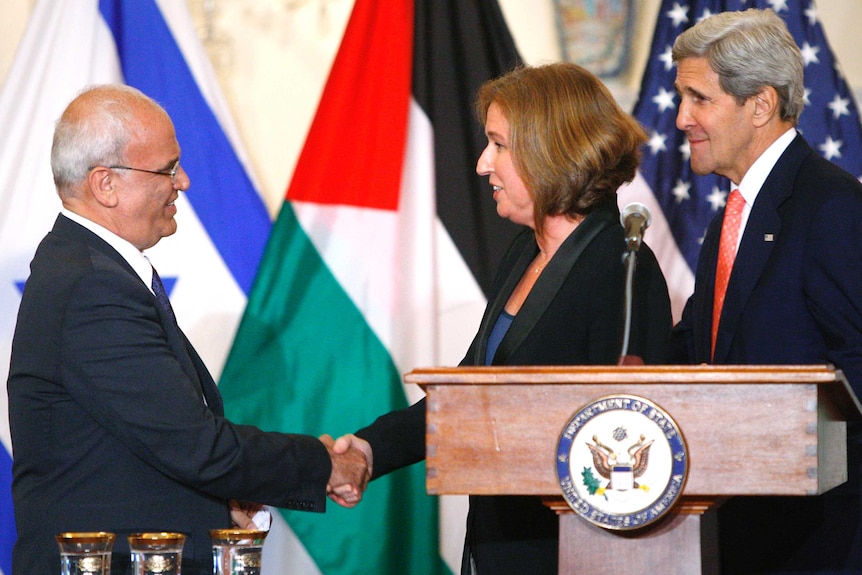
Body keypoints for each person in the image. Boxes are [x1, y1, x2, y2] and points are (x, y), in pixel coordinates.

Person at [6, 84, 369, 575]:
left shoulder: (92, 269)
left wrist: (223, 503)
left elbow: (148, 450)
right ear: (105, 184)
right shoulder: (92, 284)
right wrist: (323, 463)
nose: (184, 181)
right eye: (167, 168)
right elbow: (195, 446)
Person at [330, 62, 672, 574]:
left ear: (551, 149)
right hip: (497, 542)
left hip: (572, 552)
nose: (482, 164)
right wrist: (369, 449)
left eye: (499, 144)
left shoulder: (619, 266)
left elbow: (627, 431)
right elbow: (469, 393)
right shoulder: (521, 255)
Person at [670, 9, 862, 573]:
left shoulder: (832, 209)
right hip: (745, 528)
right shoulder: (731, 215)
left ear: (760, 104)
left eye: (698, 98)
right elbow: (698, 352)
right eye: (680, 98)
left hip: (824, 539)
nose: (682, 118)